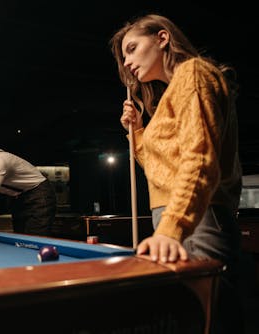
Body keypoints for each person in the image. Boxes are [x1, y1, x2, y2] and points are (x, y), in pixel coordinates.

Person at [110, 14, 242, 334]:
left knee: (208, 322)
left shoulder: (193, 73)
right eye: (123, 56)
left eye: (131, 48)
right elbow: (163, 170)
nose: (127, 62)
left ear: (162, 38)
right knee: (187, 320)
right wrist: (138, 133)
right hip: (177, 217)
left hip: (198, 219)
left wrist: (172, 229)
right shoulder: (172, 92)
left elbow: (200, 162)